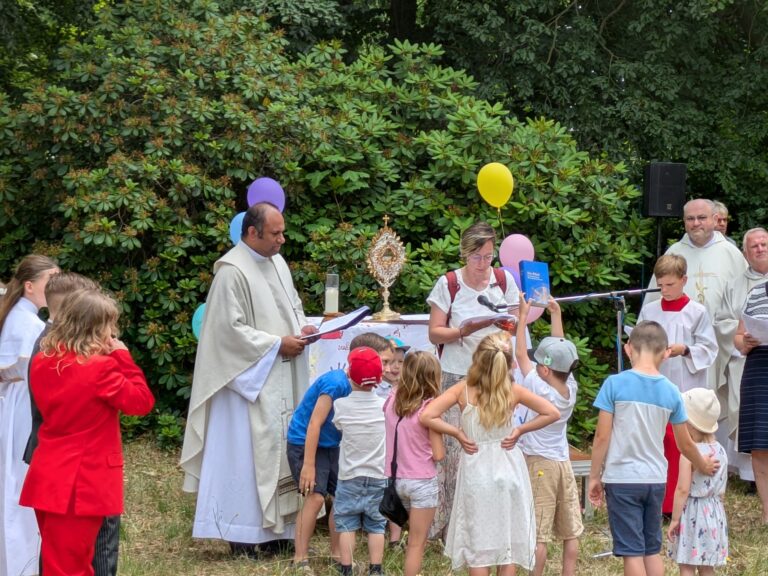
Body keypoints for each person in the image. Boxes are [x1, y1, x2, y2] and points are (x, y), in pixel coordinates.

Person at [180, 202, 319, 554]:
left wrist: (302, 327)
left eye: (283, 232)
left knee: (282, 447)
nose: (282, 240)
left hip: (281, 373)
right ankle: (242, 534)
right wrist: (276, 344)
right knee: (245, 458)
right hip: (245, 385)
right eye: (275, 233)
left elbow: (293, 305)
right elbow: (227, 332)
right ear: (253, 232)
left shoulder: (278, 262)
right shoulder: (231, 272)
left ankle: (279, 534)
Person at [19, 288, 155, 576]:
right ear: (94, 327)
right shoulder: (99, 368)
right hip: (81, 481)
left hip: (48, 474)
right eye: (109, 324)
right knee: (70, 567)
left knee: (58, 560)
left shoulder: (43, 359)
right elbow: (141, 402)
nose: (113, 332)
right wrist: (123, 357)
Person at [421, 331, 560, 575]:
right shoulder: (513, 390)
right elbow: (552, 412)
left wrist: (457, 433)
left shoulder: (464, 390)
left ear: (477, 359)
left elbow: (427, 415)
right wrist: (520, 430)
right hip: (508, 467)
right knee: (507, 543)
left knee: (479, 545)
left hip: (477, 471)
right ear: (508, 363)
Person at [588, 321, 719, 576]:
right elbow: (685, 443)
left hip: (622, 480)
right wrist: (702, 464)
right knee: (651, 549)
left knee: (632, 552)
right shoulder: (672, 391)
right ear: (666, 353)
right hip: (656, 480)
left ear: (628, 348)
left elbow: (602, 437)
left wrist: (594, 476)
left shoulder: (614, 384)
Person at [426, 221, 521, 537]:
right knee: (457, 450)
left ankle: (490, 521)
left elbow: (516, 322)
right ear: (465, 254)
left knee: (492, 449)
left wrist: (508, 326)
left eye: (488, 256)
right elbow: (434, 332)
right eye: (477, 257)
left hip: (495, 375)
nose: (483, 264)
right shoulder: (449, 283)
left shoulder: (503, 280)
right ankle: (451, 526)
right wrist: (461, 331)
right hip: (457, 374)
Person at [286, 333, 393, 574]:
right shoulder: (336, 383)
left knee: (340, 496)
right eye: (384, 362)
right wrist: (309, 465)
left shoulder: (364, 388)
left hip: (332, 445)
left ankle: (337, 553)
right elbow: (315, 423)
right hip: (306, 443)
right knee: (315, 497)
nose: (386, 368)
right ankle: (300, 558)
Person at [638, 254, 717, 516]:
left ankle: (678, 503)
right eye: (660, 285)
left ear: (684, 280)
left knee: (680, 444)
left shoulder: (697, 312)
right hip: (655, 385)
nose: (665, 290)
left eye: (670, 285)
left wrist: (686, 350)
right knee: (656, 443)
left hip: (685, 384)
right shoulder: (650, 311)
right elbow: (638, 342)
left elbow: (709, 349)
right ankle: (656, 502)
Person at [645, 199, 745, 390]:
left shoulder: (731, 253)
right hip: (677, 344)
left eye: (702, 217)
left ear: (715, 219)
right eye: (690, 219)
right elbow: (655, 300)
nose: (696, 223)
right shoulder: (674, 253)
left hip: (721, 340)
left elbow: (746, 299)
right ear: (684, 221)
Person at [514, 296, 583, 576]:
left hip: (539, 463)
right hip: (562, 462)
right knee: (570, 531)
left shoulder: (538, 386)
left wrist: (522, 318)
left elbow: (520, 355)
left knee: (539, 532)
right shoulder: (570, 387)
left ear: (544, 370)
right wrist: (556, 315)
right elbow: (562, 352)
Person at [0, 254, 59, 576]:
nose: (56, 286)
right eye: (51, 279)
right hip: (23, 407)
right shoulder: (27, 324)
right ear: (29, 285)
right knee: (20, 481)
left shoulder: (23, 317)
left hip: (20, 402)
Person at [713, 227, 768, 481]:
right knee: (756, 424)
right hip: (748, 362)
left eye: (764, 244)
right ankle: (750, 477)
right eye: (754, 246)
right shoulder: (736, 286)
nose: (760, 249)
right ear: (745, 254)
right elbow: (723, 322)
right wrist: (743, 339)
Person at [383, 351, 444, 576]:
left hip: (396, 480)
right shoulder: (429, 409)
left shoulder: (391, 400)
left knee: (410, 539)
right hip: (422, 481)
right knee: (417, 544)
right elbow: (438, 454)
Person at [331, 347, 387, 576]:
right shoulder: (385, 405)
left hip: (349, 476)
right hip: (378, 475)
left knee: (346, 524)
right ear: (379, 378)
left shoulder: (340, 405)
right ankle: (376, 569)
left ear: (349, 374)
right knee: (377, 525)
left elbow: (338, 426)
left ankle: (346, 568)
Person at [667, 388, 728, 575]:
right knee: (707, 565)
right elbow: (722, 489)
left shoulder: (689, 454)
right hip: (714, 512)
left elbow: (682, 489)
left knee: (686, 563)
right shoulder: (721, 451)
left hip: (692, 514)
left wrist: (675, 519)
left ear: (690, 425)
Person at [733, 277, 768, 524]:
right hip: (758, 368)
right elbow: (738, 336)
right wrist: (744, 342)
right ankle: (767, 510)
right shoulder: (755, 293)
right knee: (760, 442)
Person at [375, 336, 408, 401]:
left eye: (400, 361)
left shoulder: (407, 385)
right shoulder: (373, 389)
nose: (397, 366)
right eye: (391, 361)